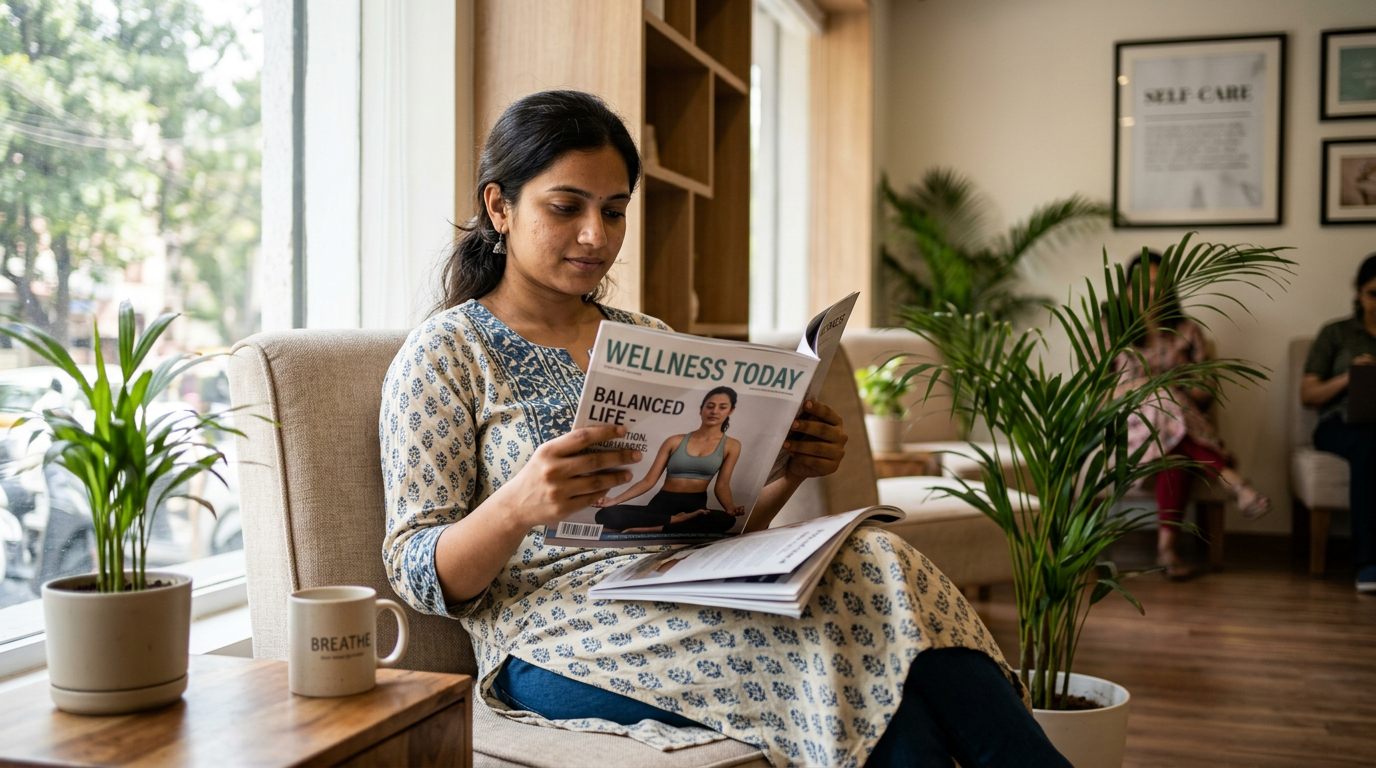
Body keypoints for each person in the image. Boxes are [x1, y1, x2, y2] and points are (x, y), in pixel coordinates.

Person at [380, 89, 1070, 768]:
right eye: (566, 208)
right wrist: (517, 505)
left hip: (683, 589)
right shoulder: (446, 353)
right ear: (499, 207)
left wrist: (790, 469)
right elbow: (416, 569)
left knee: (876, 557)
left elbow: (714, 530)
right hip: (552, 638)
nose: (597, 235)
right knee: (872, 678)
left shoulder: (647, 338)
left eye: (614, 211)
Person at [1112, 251, 1270, 580]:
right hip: (1129, 425)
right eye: (1143, 284)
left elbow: (1206, 390)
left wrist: (1176, 391)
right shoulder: (1109, 332)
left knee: (1173, 441)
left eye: (1158, 284)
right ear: (1126, 290)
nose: (1151, 291)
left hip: (1183, 419)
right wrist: (1147, 387)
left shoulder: (1188, 331)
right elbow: (1098, 394)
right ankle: (1234, 482)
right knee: (1159, 396)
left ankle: (1166, 550)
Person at [1301, 253, 1376, 594]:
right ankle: (1368, 560)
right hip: (1340, 424)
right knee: (1369, 446)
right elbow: (1308, 394)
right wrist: (1351, 377)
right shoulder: (1336, 333)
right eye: (1373, 294)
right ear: (1358, 292)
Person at [592, 386, 743, 535]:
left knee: (726, 520)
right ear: (701, 410)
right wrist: (614, 500)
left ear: (730, 411)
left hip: (695, 508)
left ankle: (656, 528)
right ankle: (673, 521)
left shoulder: (732, 445)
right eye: (710, 406)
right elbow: (648, 481)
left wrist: (730, 507)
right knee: (605, 515)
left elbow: (722, 485)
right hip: (662, 504)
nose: (714, 411)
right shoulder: (674, 441)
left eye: (722, 407)